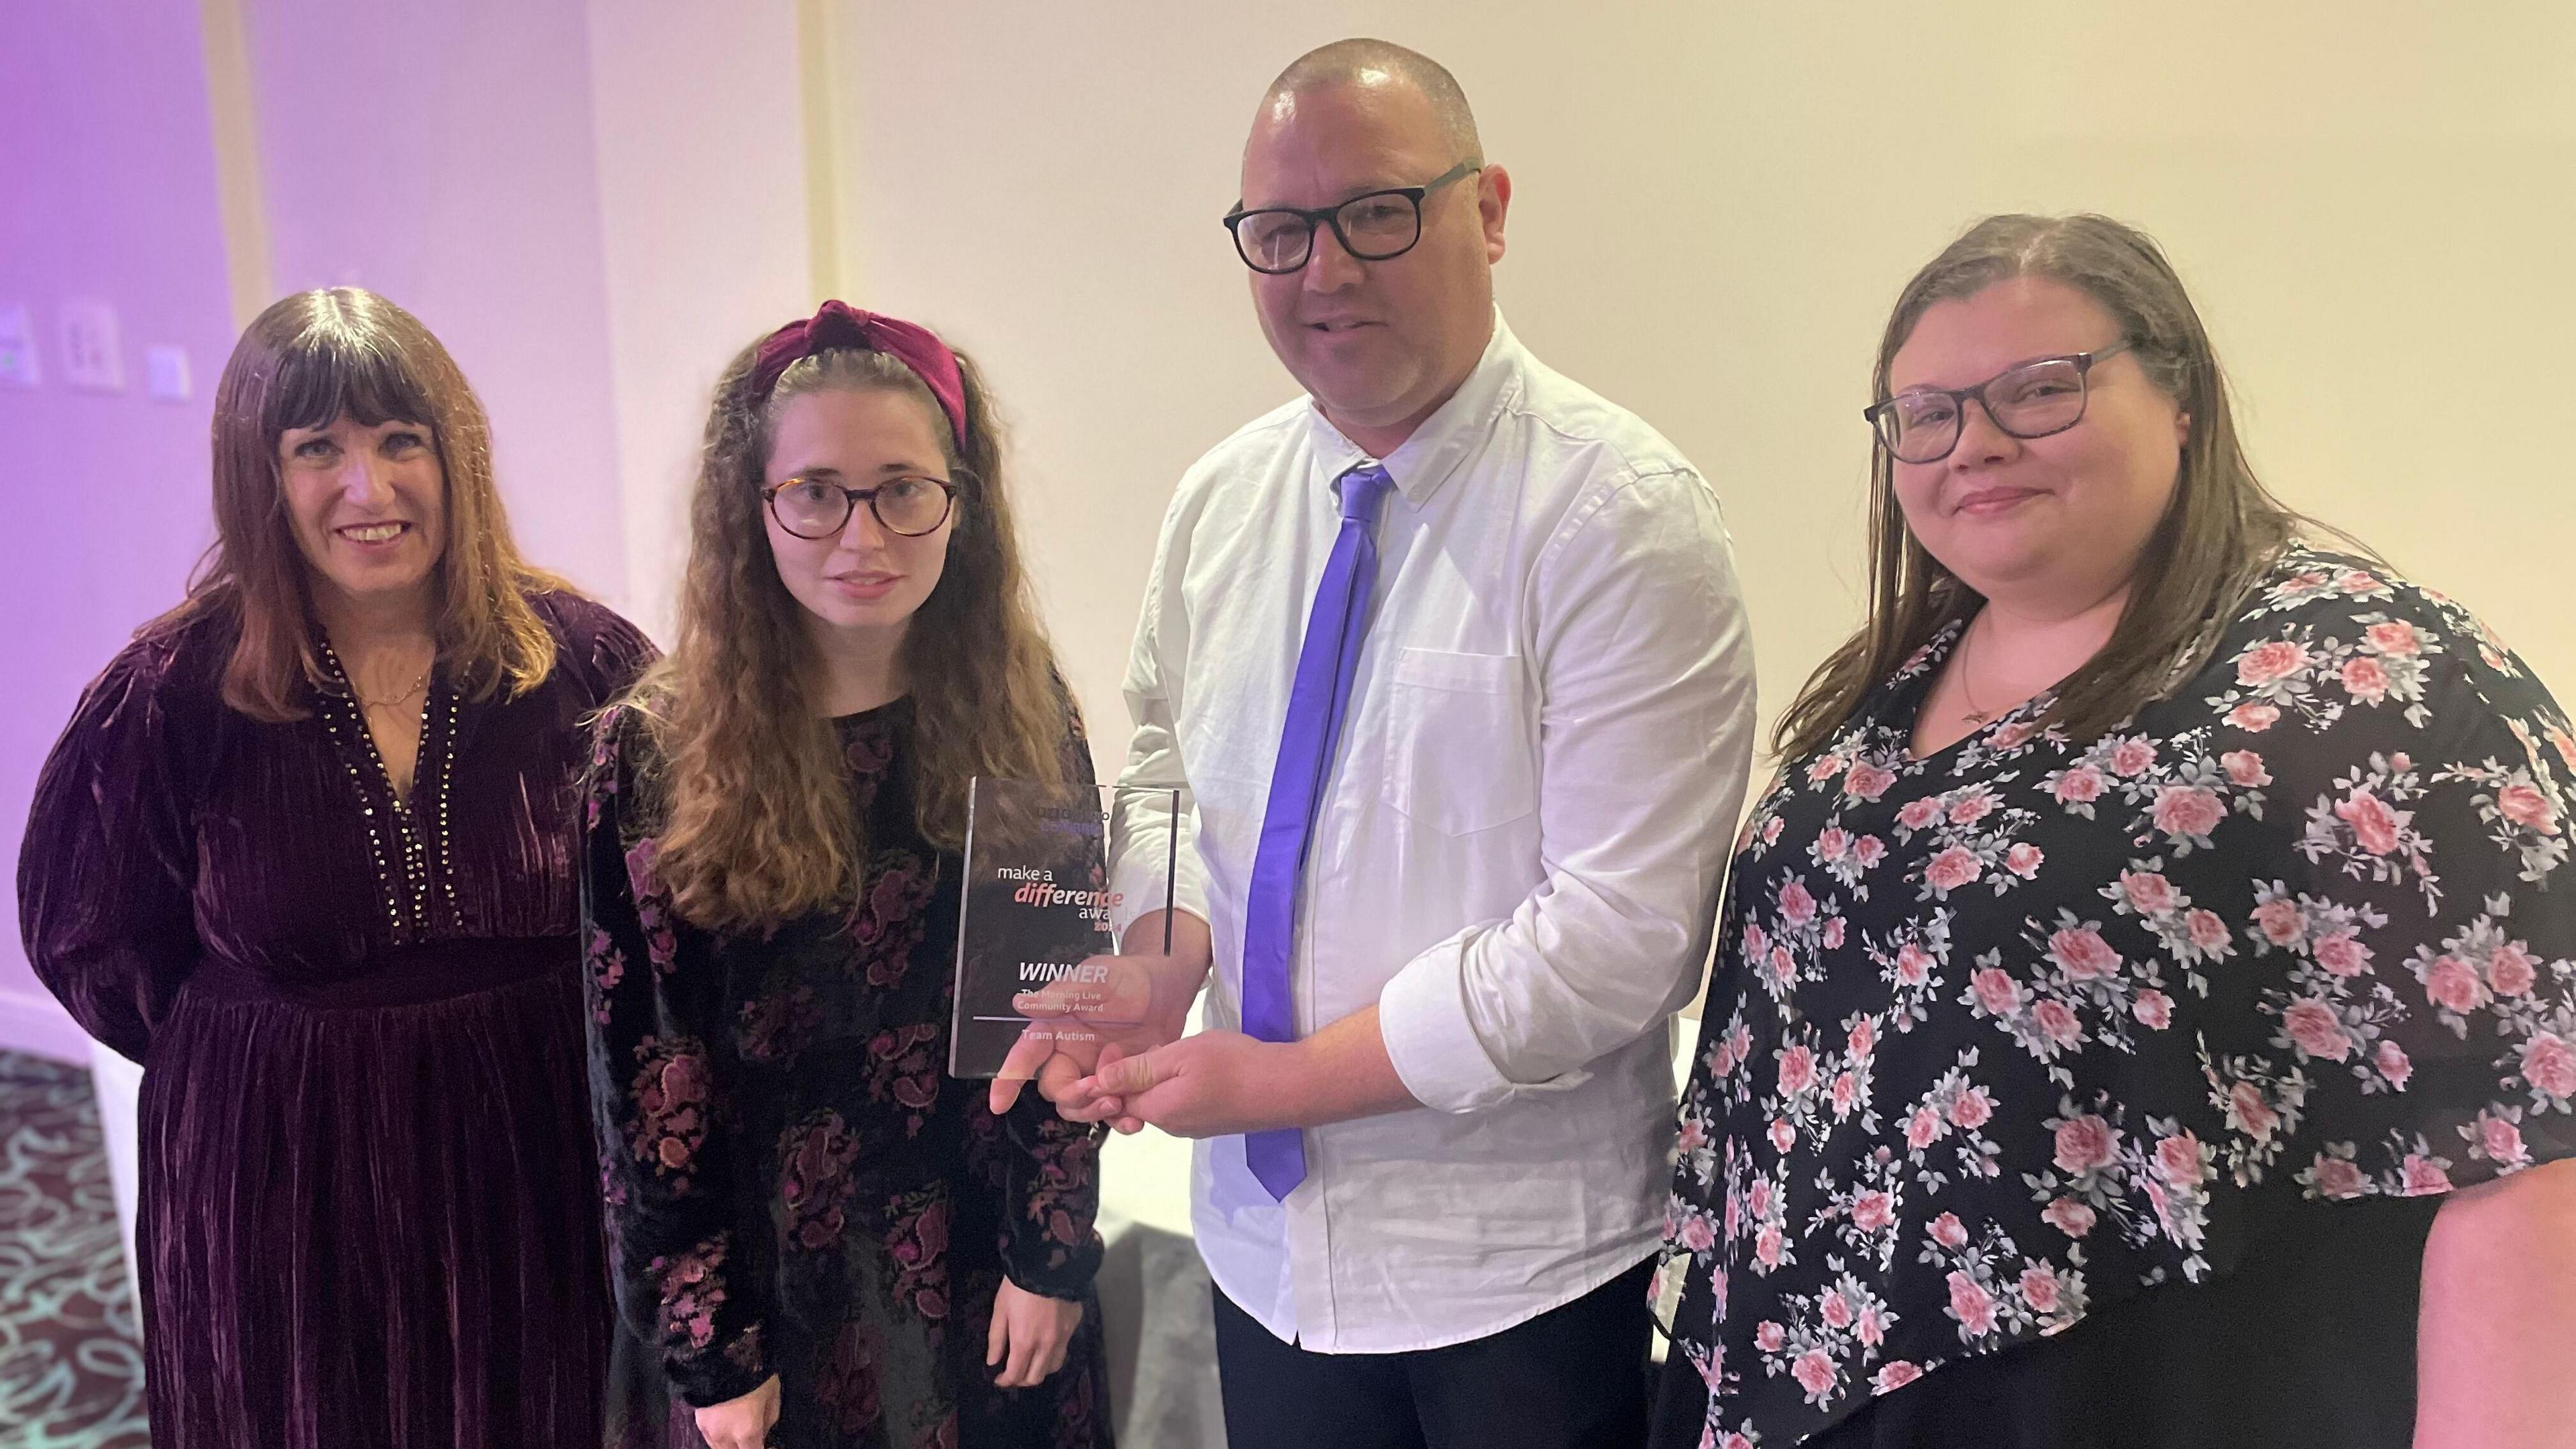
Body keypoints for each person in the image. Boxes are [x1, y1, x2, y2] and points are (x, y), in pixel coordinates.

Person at [1652, 213, 2576, 1448]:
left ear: (2181, 396)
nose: (1973, 443)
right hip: (1819, 1372)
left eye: (2039, 391)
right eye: (1926, 414)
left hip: (2147, 1386)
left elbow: (2534, 1133)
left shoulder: (2367, 680)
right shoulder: (1897, 676)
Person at [1002, 39, 1757, 1449]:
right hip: (1265, 1251)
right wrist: (1156, 961)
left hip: (1519, 1273)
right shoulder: (1221, 502)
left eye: (1378, 214)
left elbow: (1621, 937)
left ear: (1490, 211)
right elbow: (1167, 772)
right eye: (1280, 233)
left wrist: (1283, 1084)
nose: (1324, 271)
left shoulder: (1620, 518)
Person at [17, 287, 655, 1447]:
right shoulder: (170, 693)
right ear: (261, 480)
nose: (370, 489)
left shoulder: (585, 664)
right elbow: (91, 939)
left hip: (534, 1168)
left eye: (401, 440)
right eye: (319, 449)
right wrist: (274, 1055)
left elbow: (669, 912)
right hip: (278, 1190)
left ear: (454, 455)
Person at [581, 302, 1113, 1449]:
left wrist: (1051, 1252)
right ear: (753, 505)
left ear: (961, 503)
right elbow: (650, 1083)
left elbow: (1062, 1008)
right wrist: (710, 1345)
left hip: (988, 1266)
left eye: (903, 488)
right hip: (779, 1298)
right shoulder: (655, 751)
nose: (860, 537)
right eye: (814, 491)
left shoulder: (1020, 706)